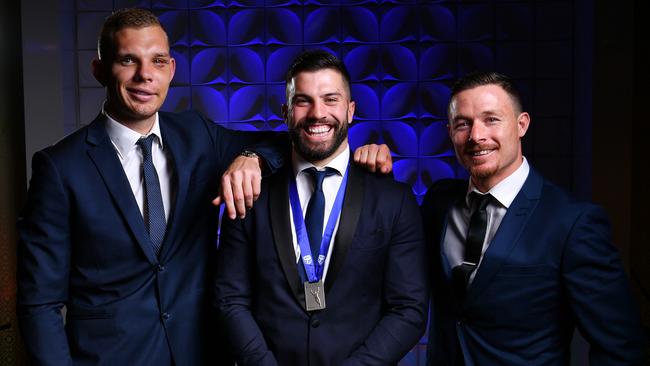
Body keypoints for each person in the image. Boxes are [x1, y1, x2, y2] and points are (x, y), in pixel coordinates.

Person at [16, 9, 390, 366]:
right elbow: (39, 303)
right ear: (99, 69)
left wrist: (250, 157)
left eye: (158, 61)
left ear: (171, 69)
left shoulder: (197, 135)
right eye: (128, 60)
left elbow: (285, 140)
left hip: (202, 354)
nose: (146, 75)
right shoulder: (60, 168)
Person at [213, 50, 429, 365]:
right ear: (286, 112)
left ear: (350, 110)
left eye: (331, 99)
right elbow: (230, 300)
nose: (318, 113)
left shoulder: (393, 200)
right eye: (303, 101)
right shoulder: (249, 193)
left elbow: (409, 309)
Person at [422, 71, 645, 365]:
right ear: (450, 132)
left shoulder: (572, 222)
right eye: (463, 124)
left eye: (491, 119)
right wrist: (371, 169)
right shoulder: (439, 201)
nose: (476, 136)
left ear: (521, 124)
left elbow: (620, 347)